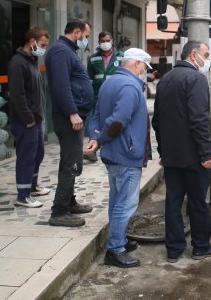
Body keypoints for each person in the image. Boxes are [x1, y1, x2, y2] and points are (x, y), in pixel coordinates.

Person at [152, 40, 211, 263]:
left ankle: (174, 248)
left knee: (173, 201)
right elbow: (199, 120)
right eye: (206, 54)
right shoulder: (196, 79)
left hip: (172, 156)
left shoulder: (165, 80)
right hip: (193, 156)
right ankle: (201, 245)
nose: (207, 60)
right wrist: (206, 153)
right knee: (198, 201)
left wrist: (163, 151)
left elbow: (157, 120)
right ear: (193, 55)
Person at [85, 48, 153, 268]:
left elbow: (96, 113)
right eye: (144, 66)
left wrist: (95, 136)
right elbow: (117, 121)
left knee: (117, 201)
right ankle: (115, 250)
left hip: (114, 153)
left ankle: (119, 240)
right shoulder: (130, 86)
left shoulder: (109, 82)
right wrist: (102, 138)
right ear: (136, 64)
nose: (144, 71)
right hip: (125, 154)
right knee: (126, 204)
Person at [44, 19, 95, 227]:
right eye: (86, 36)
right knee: (70, 163)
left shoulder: (66, 51)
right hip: (68, 118)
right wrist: (73, 113)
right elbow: (61, 85)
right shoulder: (60, 52)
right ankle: (59, 212)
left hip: (73, 116)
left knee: (75, 162)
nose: (86, 40)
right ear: (76, 33)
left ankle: (69, 201)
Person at [8, 26, 52, 208]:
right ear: (32, 42)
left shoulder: (31, 61)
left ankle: (32, 186)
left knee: (37, 153)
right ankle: (23, 195)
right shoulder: (18, 63)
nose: (44, 48)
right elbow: (18, 95)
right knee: (26, 156)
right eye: (42, 44)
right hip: (25, 121)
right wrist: (28, 119)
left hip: (35, 118)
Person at [84, 31, 124, 162]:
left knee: (114, 122)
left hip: (116, 96)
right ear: (99, 42)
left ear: (112, 40)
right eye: (102, 41)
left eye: (107, 40)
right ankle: (92, 149)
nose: (105, 43)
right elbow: (88, 79)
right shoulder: (93, 58)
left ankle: (113, 147)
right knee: (94, 123)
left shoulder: (121, 57)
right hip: (97, 96)